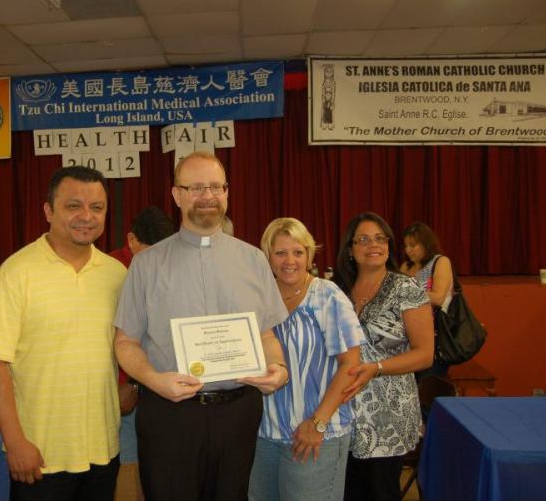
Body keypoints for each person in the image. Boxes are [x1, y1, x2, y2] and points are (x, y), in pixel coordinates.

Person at [114, 151, 290, 501]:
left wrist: (279, 368)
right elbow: (125, 342)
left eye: (215, 187)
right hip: (170, 414)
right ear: (177, 195)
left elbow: (266, 335)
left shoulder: (253, 260)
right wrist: (154, 381)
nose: (207, 196)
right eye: (195, 188)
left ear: (227, 192)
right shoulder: (146, 265)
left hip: (238, 414)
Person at [0, 166, 127, 501]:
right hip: (39, 456)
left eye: (97, 207)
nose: (86, 216)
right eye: (73, 206)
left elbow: (129, 346)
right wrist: (15, 442)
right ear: (48, 211)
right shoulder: (16, 272)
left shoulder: (116, 274)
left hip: (103, 450)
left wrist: (131, 385)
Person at [249, 218, 365, 501]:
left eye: (298, 252)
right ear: (268, 257)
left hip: (315, 434)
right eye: (280, 253)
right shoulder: (258, 297)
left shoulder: (327, 295)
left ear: (309, 255)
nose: (290, 261)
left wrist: (317, 423)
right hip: (264, 434)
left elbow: (351, 365)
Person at [333, 212, 433, 501]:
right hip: (343, 412)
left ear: (389, 246)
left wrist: (376, 367)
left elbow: (425, 355)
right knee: (347, 493)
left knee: (380, 492)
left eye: (380, 238)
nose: (373, 245)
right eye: (363, 239)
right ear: (350, 249)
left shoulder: (406, 289)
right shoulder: (338, 291)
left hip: (388, 416)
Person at [109, 206, 175, 501]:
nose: (155, 261)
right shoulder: (111, 271)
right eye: (149, 253)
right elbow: (113, 337)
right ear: (131, 240)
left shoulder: (172, 267)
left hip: (160, 389)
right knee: (128, 469)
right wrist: (129, 384)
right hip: (122, 390)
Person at [400, 221, 453, 378]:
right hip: (408, 336)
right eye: (406, 246)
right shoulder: (405, 267)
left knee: (427, 384)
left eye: (413, 245)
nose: (408, 250)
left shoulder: (440, 261)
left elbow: (438, 297)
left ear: (426, 243)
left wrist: (408, 290)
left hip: (434, 336)